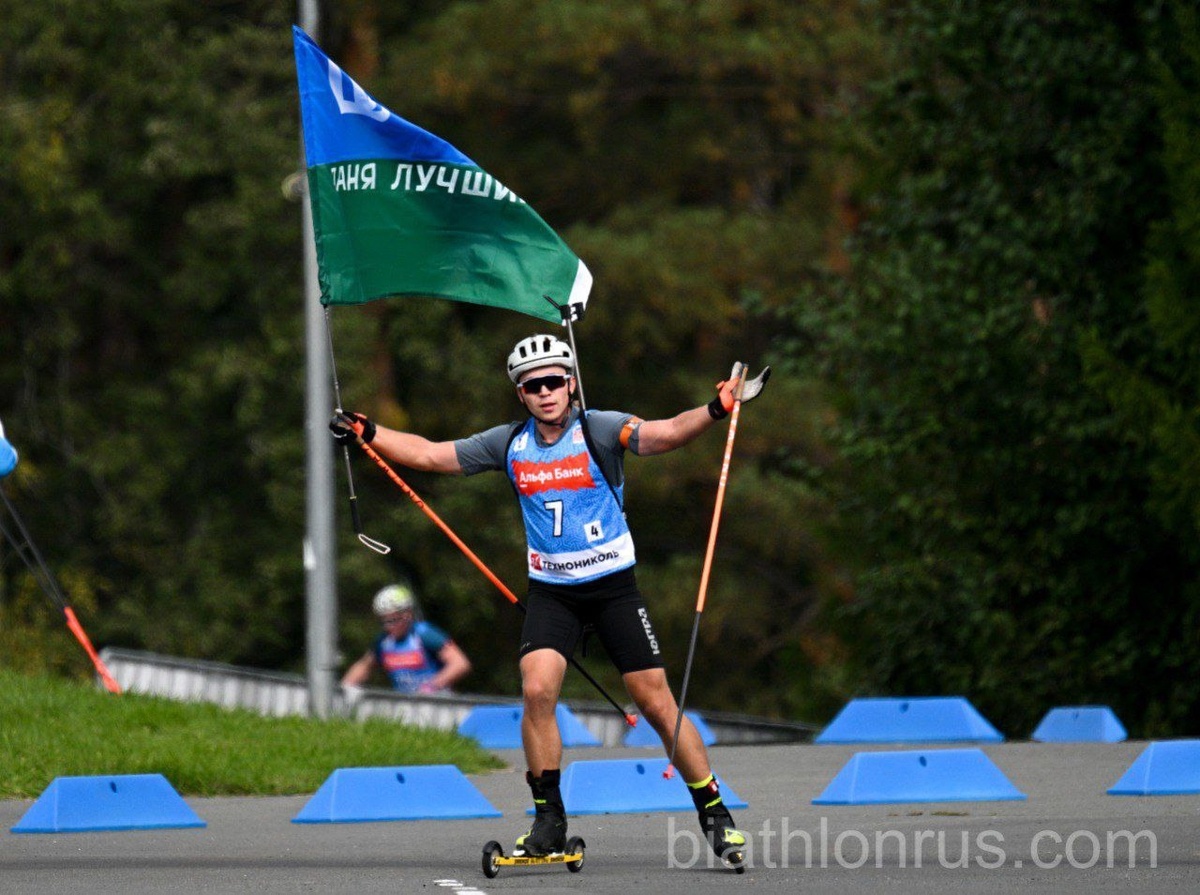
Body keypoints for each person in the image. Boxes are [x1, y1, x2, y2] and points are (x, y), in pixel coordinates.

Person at [330, 334, 768, 866]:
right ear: (521, 394)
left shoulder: (599, 429)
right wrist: (369, 431)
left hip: (613, 588)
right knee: (537, 691)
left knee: (654, 702)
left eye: (554, 381)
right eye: (533, 385)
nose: (545, 392)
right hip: (553, 593)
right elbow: (430, 454)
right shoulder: (509, 443)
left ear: (570, 383)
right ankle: (548, 820)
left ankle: (714, 812)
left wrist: (717, 408)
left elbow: (664, 434)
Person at [341, 583, 472, 696]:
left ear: (408, 614)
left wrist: (431, 687)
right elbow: (364, 666)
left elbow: (460, 664)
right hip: (406, 705)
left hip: (437, 702)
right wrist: (343, 689)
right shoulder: (384, 641)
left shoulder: (424, 634)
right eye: (384, 621)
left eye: (394, 620)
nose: (389, 626)